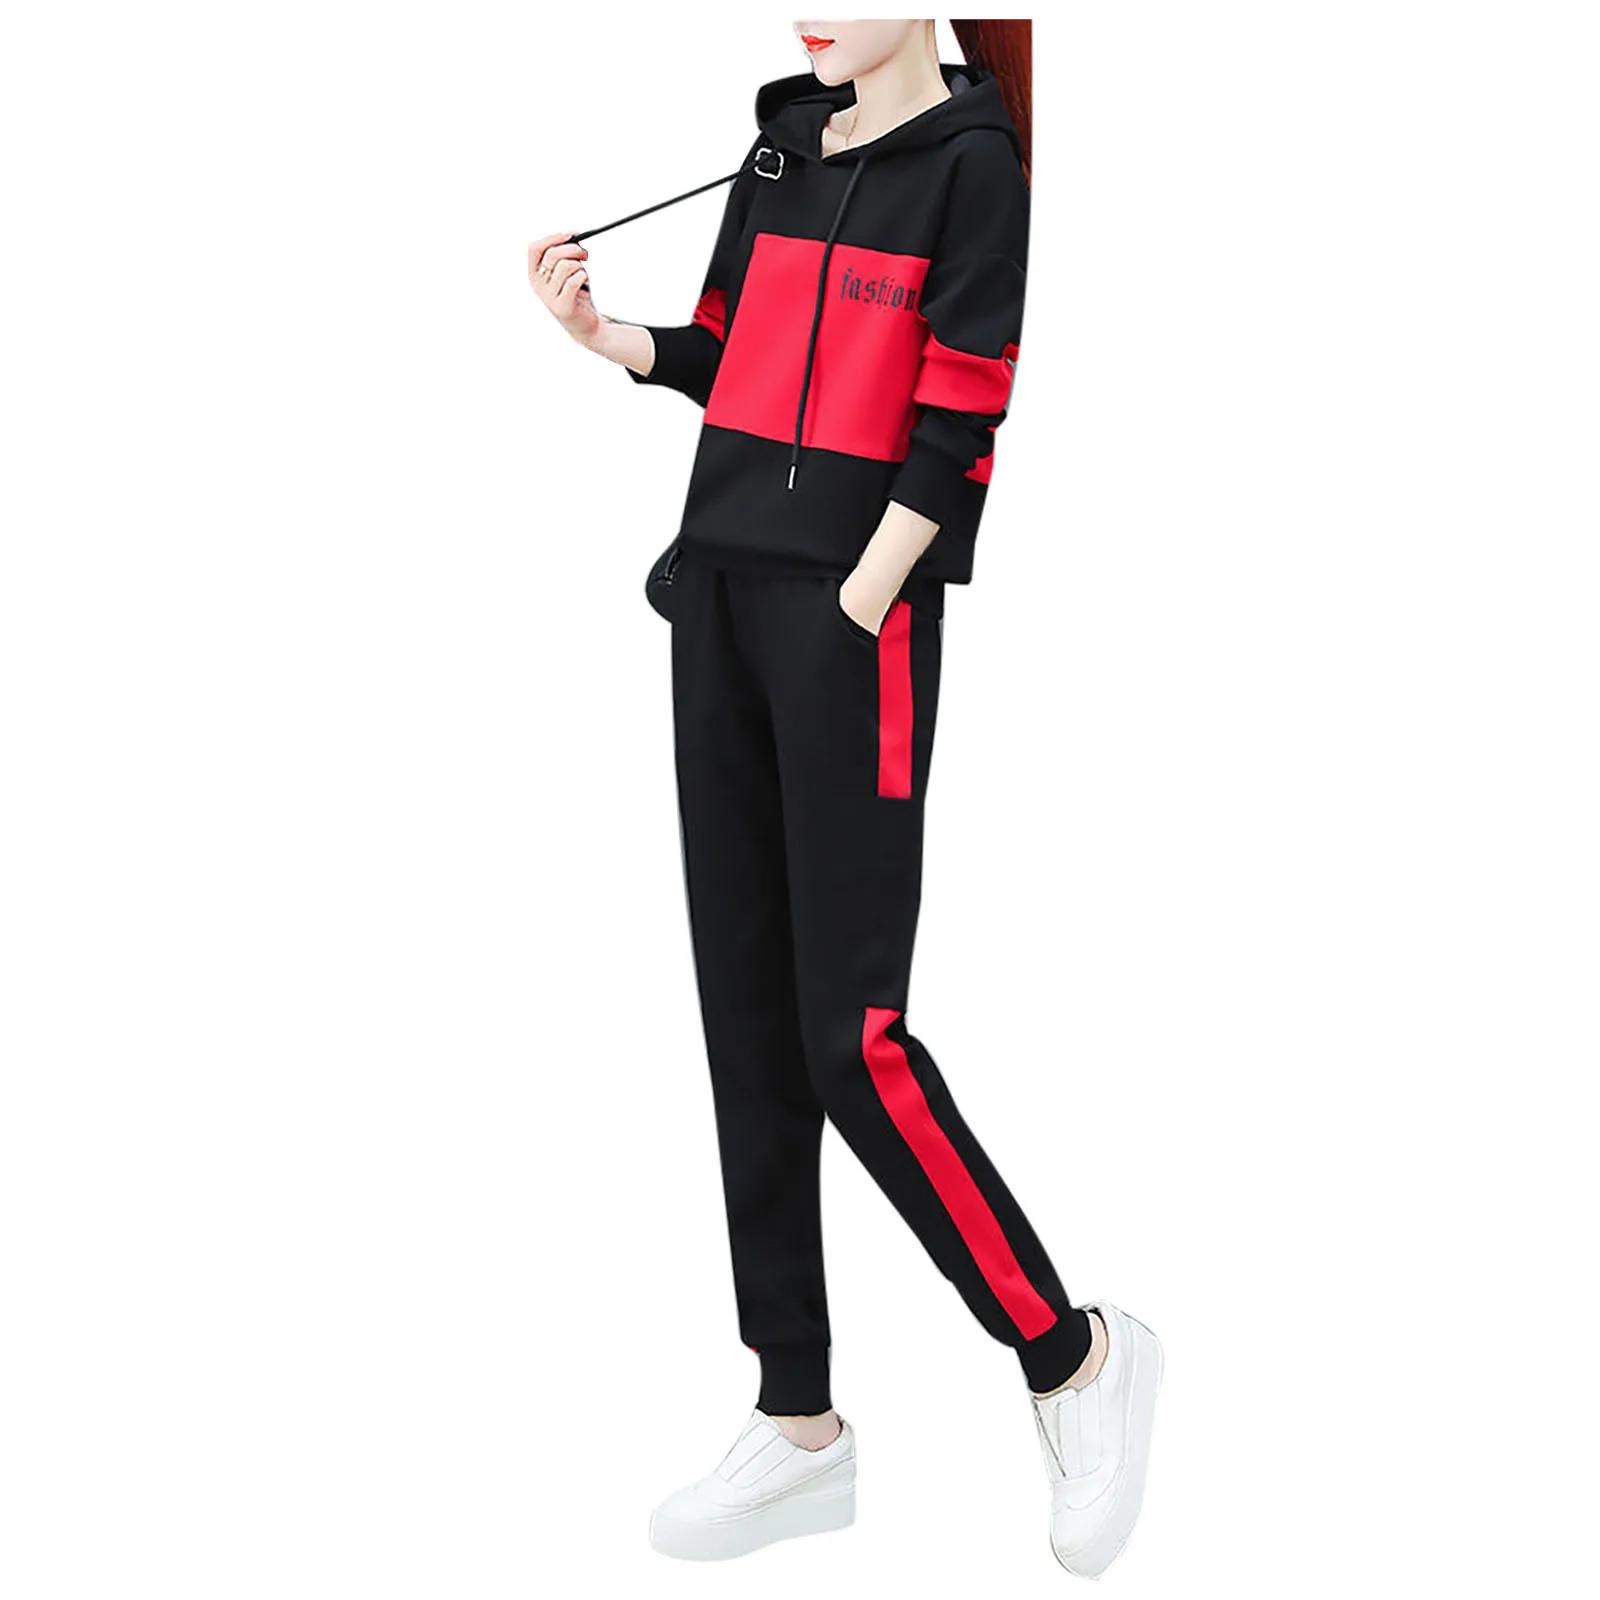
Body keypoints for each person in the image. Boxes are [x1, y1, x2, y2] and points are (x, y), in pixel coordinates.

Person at [529, 19, 1161, 1577]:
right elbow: (734, 355)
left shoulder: (976, 168)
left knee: (850, 1042)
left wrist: (862, 601)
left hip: (849, 624)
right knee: (746, 1021)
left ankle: (1073, 1353)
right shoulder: (778, 148)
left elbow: (961, 424)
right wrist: (609, 341)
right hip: (714, 603)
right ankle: (798, 1421)